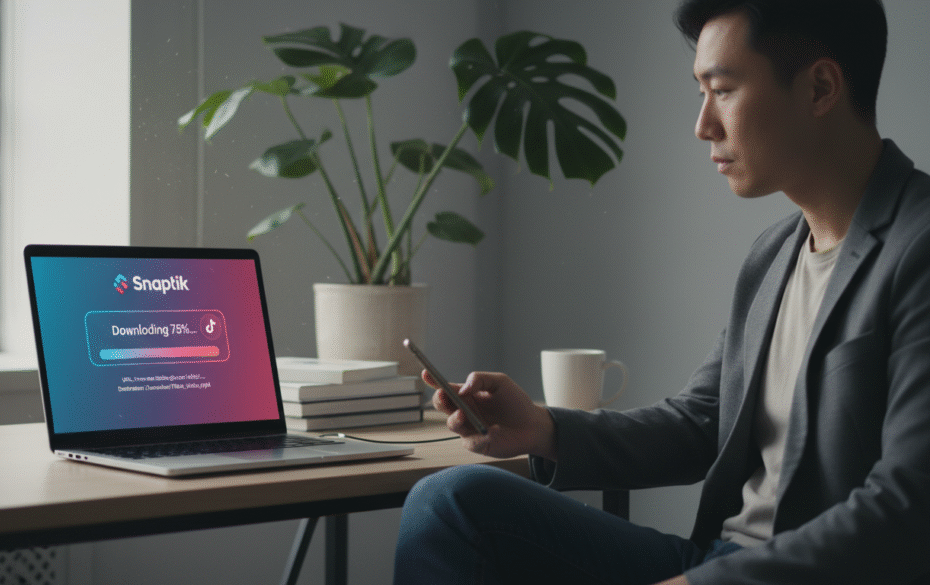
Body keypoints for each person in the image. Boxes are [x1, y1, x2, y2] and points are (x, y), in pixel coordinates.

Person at [393, 0, 930, 583]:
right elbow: (701, 423)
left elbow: (908, 506)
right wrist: (542, 428)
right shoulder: (774, 254)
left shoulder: (918, 247)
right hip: (719, 560)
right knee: (449, 502)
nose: (703, 124)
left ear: (821, 88)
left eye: (722, 90)